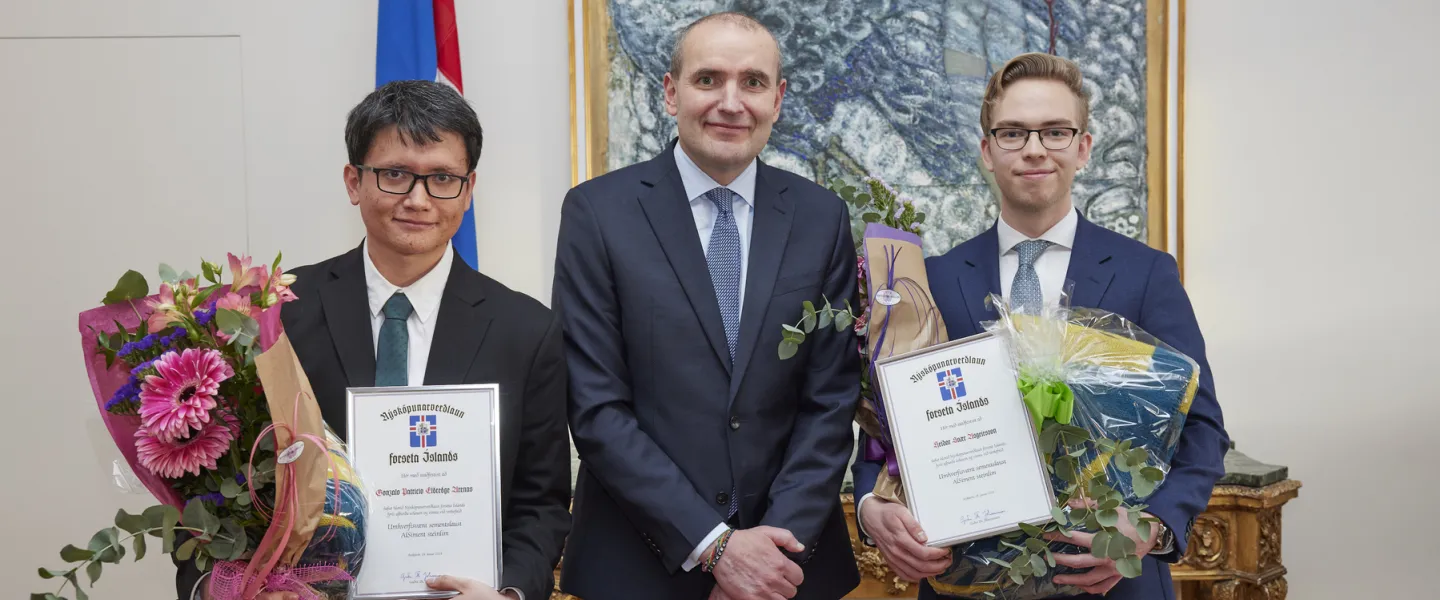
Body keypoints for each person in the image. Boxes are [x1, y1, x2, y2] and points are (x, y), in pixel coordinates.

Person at [851, 53, 1229, 600]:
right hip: (966, 583)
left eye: (1055, 131)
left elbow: (1203, 427)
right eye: (1012, 133)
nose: (1033, 148)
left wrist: (1152, 526)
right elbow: (886, 429)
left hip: (1110, 580)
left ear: (1083, 147)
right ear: (987, 150)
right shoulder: (930, 279)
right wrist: (871, 506)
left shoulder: (1147, 274)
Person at [175, 80, 571, 600]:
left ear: (469, 190)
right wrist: (225, 591)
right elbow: (212, 489)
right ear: (353, 181)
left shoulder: (527, 330)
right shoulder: (276, 315)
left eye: (443, 179)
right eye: (395, 174)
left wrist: (510, 594)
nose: (418, 199)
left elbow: (539, 504)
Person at [552, 11, 862, 600]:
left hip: (790, 572)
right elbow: (595, 407)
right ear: (671, 92)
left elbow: (830, 403)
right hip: (639, 569)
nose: (730, 101)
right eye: (707, 79)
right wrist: (715, 546)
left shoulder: (822, 219)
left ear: (778, 98)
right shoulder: (597, 213)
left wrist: (772, 554)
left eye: (752, 82)